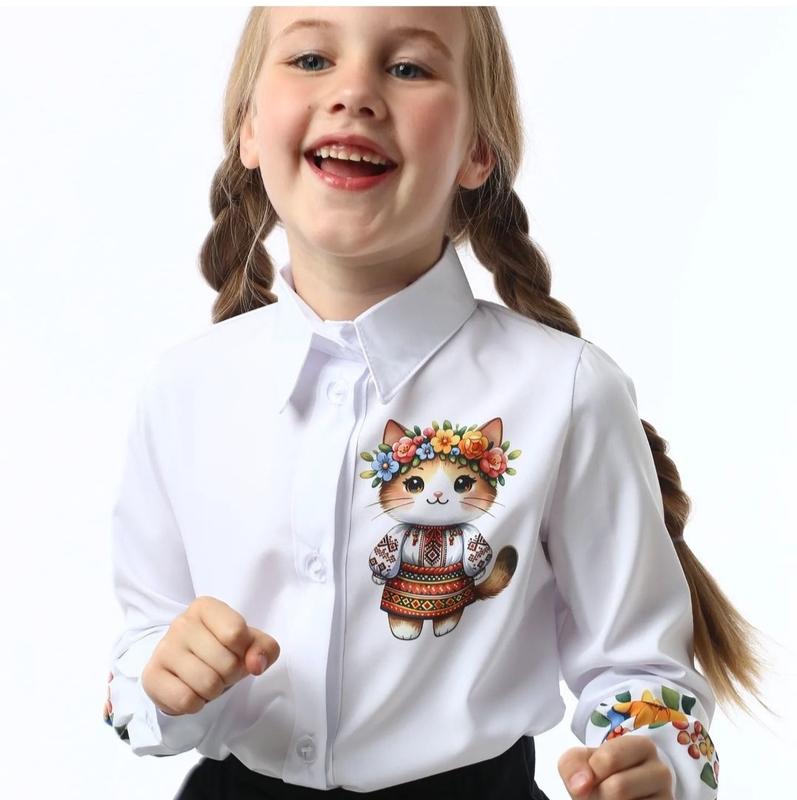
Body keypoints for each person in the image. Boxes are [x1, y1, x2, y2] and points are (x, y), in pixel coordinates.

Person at [103, 6, 767, 800]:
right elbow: (139, 651)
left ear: (477, 149)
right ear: (248, 128)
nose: (353, 92)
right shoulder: (183, 390)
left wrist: (652, 760)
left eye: (408, 68)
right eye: (311, 59)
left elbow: (638, 666)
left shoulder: (566, 391)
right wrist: (163, 680)